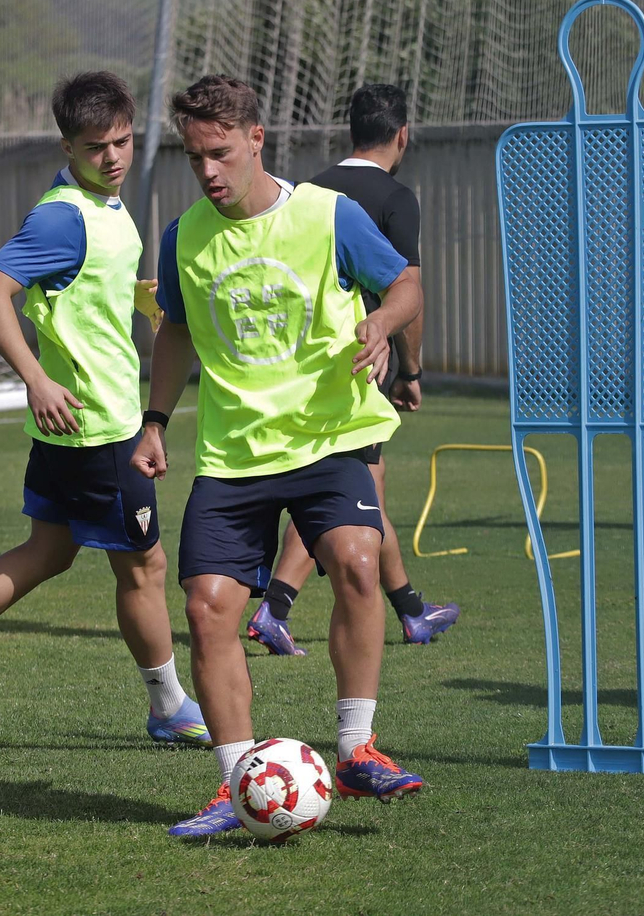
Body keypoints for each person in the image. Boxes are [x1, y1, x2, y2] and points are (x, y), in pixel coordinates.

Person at [134, 75, 425, 837]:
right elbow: (176, 331)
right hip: (235, 454)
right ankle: (237, 786)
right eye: (195, 158)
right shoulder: (184, 235)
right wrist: (156, 419)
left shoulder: (330, 215)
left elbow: (404, 283)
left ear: (257, 139)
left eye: (221, 154)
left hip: (328, 436)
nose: (209, 173)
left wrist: (383, 326)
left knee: (359, 562)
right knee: (208, 611)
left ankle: (357, 748)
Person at [0, 71, 207, 747]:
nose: (113, 157)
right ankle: (169, 706)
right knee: (144, 568)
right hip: (101, 428)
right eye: (96, 147)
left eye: (122, 141)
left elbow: (80, 291)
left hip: (72, 427)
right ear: (67, 147)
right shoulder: (62, 216)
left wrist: (136, 296)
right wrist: (34, 376)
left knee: (49, 550)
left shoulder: (106, 207)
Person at [245, 83, 458, 657]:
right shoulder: (396, 198)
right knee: (344, 488)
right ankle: (276, 605)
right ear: (402, 135)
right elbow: (404, 291)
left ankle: (412, 611)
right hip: (364, 360)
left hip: (299, 361)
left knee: (368, 485)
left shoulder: (308, 191)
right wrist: (410, 371)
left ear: (349, 132)